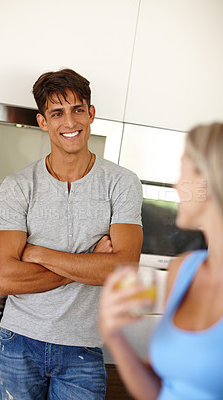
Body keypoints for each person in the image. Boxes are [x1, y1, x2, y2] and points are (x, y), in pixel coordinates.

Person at [0, 68, 143, 400]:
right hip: (20, 340)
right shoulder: (19, 186)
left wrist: (38, 253)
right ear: (43, 122)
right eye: (57, 113)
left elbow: (123, 269)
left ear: (91, 114)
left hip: (83, 347)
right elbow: (3, 279)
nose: (69, 122)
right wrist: (91, 265)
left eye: (77, 109)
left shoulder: (121, 183)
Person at [98, 123, 223, 400]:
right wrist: (114, 335)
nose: (176, 184)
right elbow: (160, 390)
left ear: (209, 178)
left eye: (183, 170)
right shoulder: (184, 270)